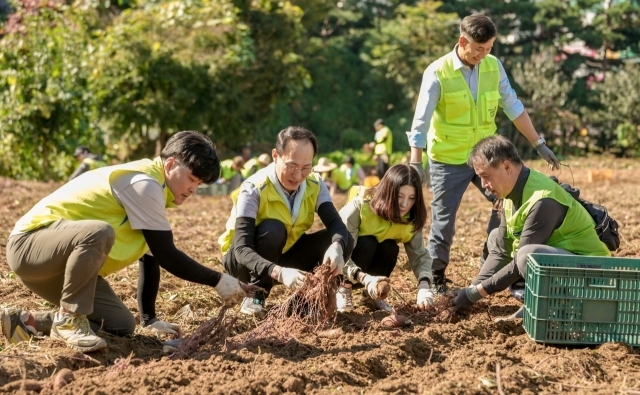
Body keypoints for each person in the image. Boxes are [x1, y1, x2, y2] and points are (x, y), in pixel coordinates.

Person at [2, 131, 248, 352]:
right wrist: (218, 280)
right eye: (192, 179)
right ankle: (69, 319)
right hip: (29, 247)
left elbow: (151, 257)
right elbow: (167, 255)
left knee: (120, 324)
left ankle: (26, 322)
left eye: (199, 184)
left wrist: (149, 319)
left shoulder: (158, 195)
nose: (194, 188)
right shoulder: (144, 184)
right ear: (171, 163)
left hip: (59, 270)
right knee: (99, 232)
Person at [405, 13, 561, 294]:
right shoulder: (437, 72)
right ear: (462, 41)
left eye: (489, 48)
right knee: (444, 221)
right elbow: (421, 121)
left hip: (485, 156)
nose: (484, 54)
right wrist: (416, 163)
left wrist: (539, 143)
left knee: (507, 205)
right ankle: (435, 277)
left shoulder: (493, 66)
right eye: (479, 49)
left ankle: (493, 259)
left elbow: (513, 106)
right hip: (447, 159)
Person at [451, 135, 610, 316]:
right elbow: (502, 250)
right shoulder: (512, 192)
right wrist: (473, 287)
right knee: (496, 237)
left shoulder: (543, 199)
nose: (484, 185)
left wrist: (473, 294)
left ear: (506, 167)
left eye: (485, 176)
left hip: (592, 274)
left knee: (528, 256)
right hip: (567, 266)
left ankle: (550, 306)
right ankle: (535, 298)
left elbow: (521, 263)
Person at [219, 126, 354, 318]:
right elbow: (241, 249)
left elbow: (336, 224)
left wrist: (338, 246)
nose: (298, 175)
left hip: (282, 253)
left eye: (306, 167)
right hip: (244, 263)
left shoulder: (315, 183)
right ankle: (256, 294)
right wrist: (280, 273)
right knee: (273, 228)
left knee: (344, 238)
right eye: (292, 166)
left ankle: (305, 302)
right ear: (275, 155)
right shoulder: (254, 188)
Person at [337, 165, 435, 312]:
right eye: (400, 196)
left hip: (369, 274)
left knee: (390, 246)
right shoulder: (360, 207)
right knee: (368, 242)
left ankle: (371, 296)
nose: (404, 204)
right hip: (343, 270)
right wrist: (363, 277)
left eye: (411, 198)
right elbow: (340, 251)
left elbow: (420, 255)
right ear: (388, 192)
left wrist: (424, 286)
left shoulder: (410, 219)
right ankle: (344, 289)